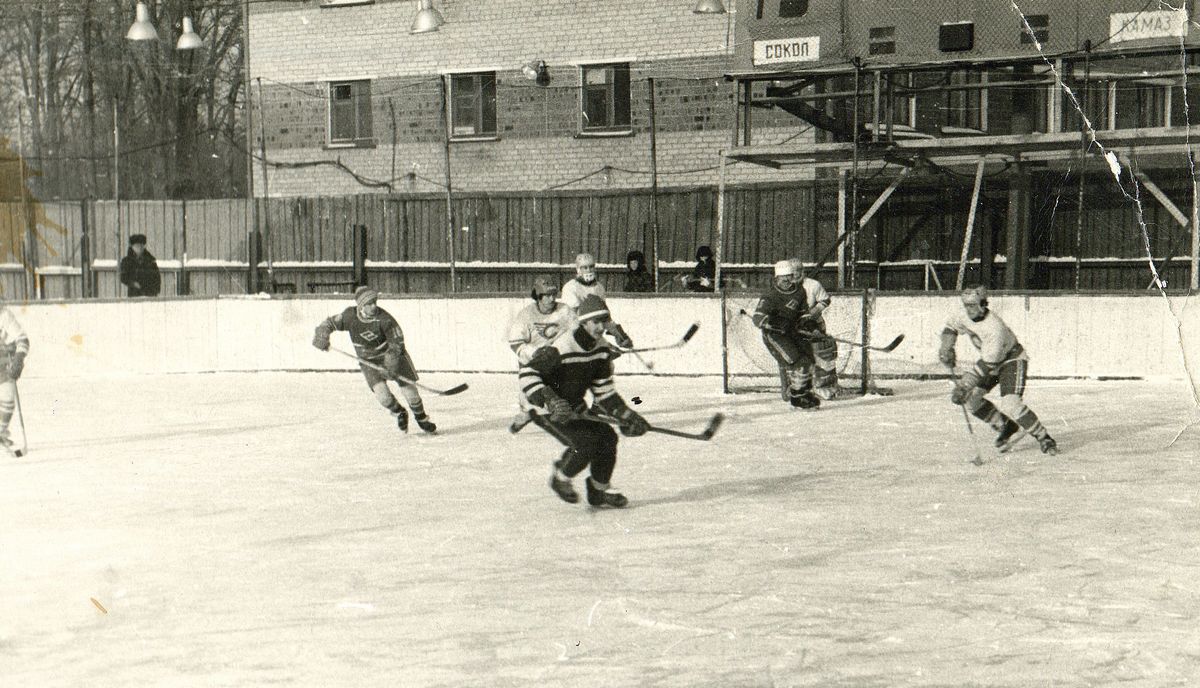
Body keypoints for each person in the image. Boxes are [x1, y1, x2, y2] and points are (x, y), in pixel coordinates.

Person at [519, 295, 649, 508]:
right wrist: (549, 400)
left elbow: (604, 393)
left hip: (574, 405)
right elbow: (528, 372)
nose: (599, 327)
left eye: (603, 321)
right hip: (544, 407)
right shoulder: (563, 345)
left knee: (607, 438)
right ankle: (560, 478)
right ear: (584, 322)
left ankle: (599, 490)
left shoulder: (602, 350)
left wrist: (626, 415)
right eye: (594, 321)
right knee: (585, 444)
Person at [939, 286, 1058, 455]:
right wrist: (946, 348)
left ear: (983, 304)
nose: (969, 310)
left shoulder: (994, 328)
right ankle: (1007, 427)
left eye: (973, 305)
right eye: (966, 305)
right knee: (972, 401)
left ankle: (1044, 437)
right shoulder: (963, 315)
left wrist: (965, 385)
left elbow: (988, 364)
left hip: (1011, 360)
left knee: (1011, 403)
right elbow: (951, 327)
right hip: (991, 363)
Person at [312, 286, 436, 434]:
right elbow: (328, 323)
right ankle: (399, 412)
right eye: (369, 304)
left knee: (409, 391)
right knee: (383, 397)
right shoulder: (349, 316)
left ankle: (422, 419)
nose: (374, 306)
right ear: (361, 306)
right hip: (369, 362)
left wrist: (390, 365)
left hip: (394, 356)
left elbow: (397, 344)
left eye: (375, 302)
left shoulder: (385, 319)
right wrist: (321, 336)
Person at [505, 277, 575, 433]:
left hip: (557, 362)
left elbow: (579, 334)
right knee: (529, 403)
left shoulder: (565, 311)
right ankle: (528, 413)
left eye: (553, 294)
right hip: (533, 364)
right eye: (547, 295)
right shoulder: (526, 315)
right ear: (538, 296)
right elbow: (515, 342)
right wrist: (534, 352)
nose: (551, 299)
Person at [751, 259, 822, 409]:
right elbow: (758, 319)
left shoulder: (800, 291)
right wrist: (776, 322)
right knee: (798, 362)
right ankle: (796, 397)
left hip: (792, 332)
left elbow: (803, 314)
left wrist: (810, 325)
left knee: (808, 359)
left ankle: (803, 392)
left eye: (790, 277)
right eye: (783, 279)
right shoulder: (770, 295)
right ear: (776, 278)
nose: (787, 281)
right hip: (774, 336)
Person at [561, 252, 634, 349]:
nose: (589, 270)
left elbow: (603, 317)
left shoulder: (599, 288)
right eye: (585, 267)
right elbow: (574, 318)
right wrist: (603, 344)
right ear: (578, 269)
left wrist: (618, 333)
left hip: (593, 334)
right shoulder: (571, 287)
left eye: (591, 267)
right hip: (575, 336)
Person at [791, 258, 840, 400]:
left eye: (798, 271)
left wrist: (814, 312)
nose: (795, 275)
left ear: (802, 271)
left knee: (822, 354)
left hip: (815, 325)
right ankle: (801, 388)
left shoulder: (813, 285)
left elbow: (825, 300)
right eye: (792, 272)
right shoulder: (787, 287)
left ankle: (825, 387)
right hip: (796, 327)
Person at [0, 302, 29, 456]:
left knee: (7, 398)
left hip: (2, 367)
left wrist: (18, 359)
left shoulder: (4, 315)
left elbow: (22, 339)